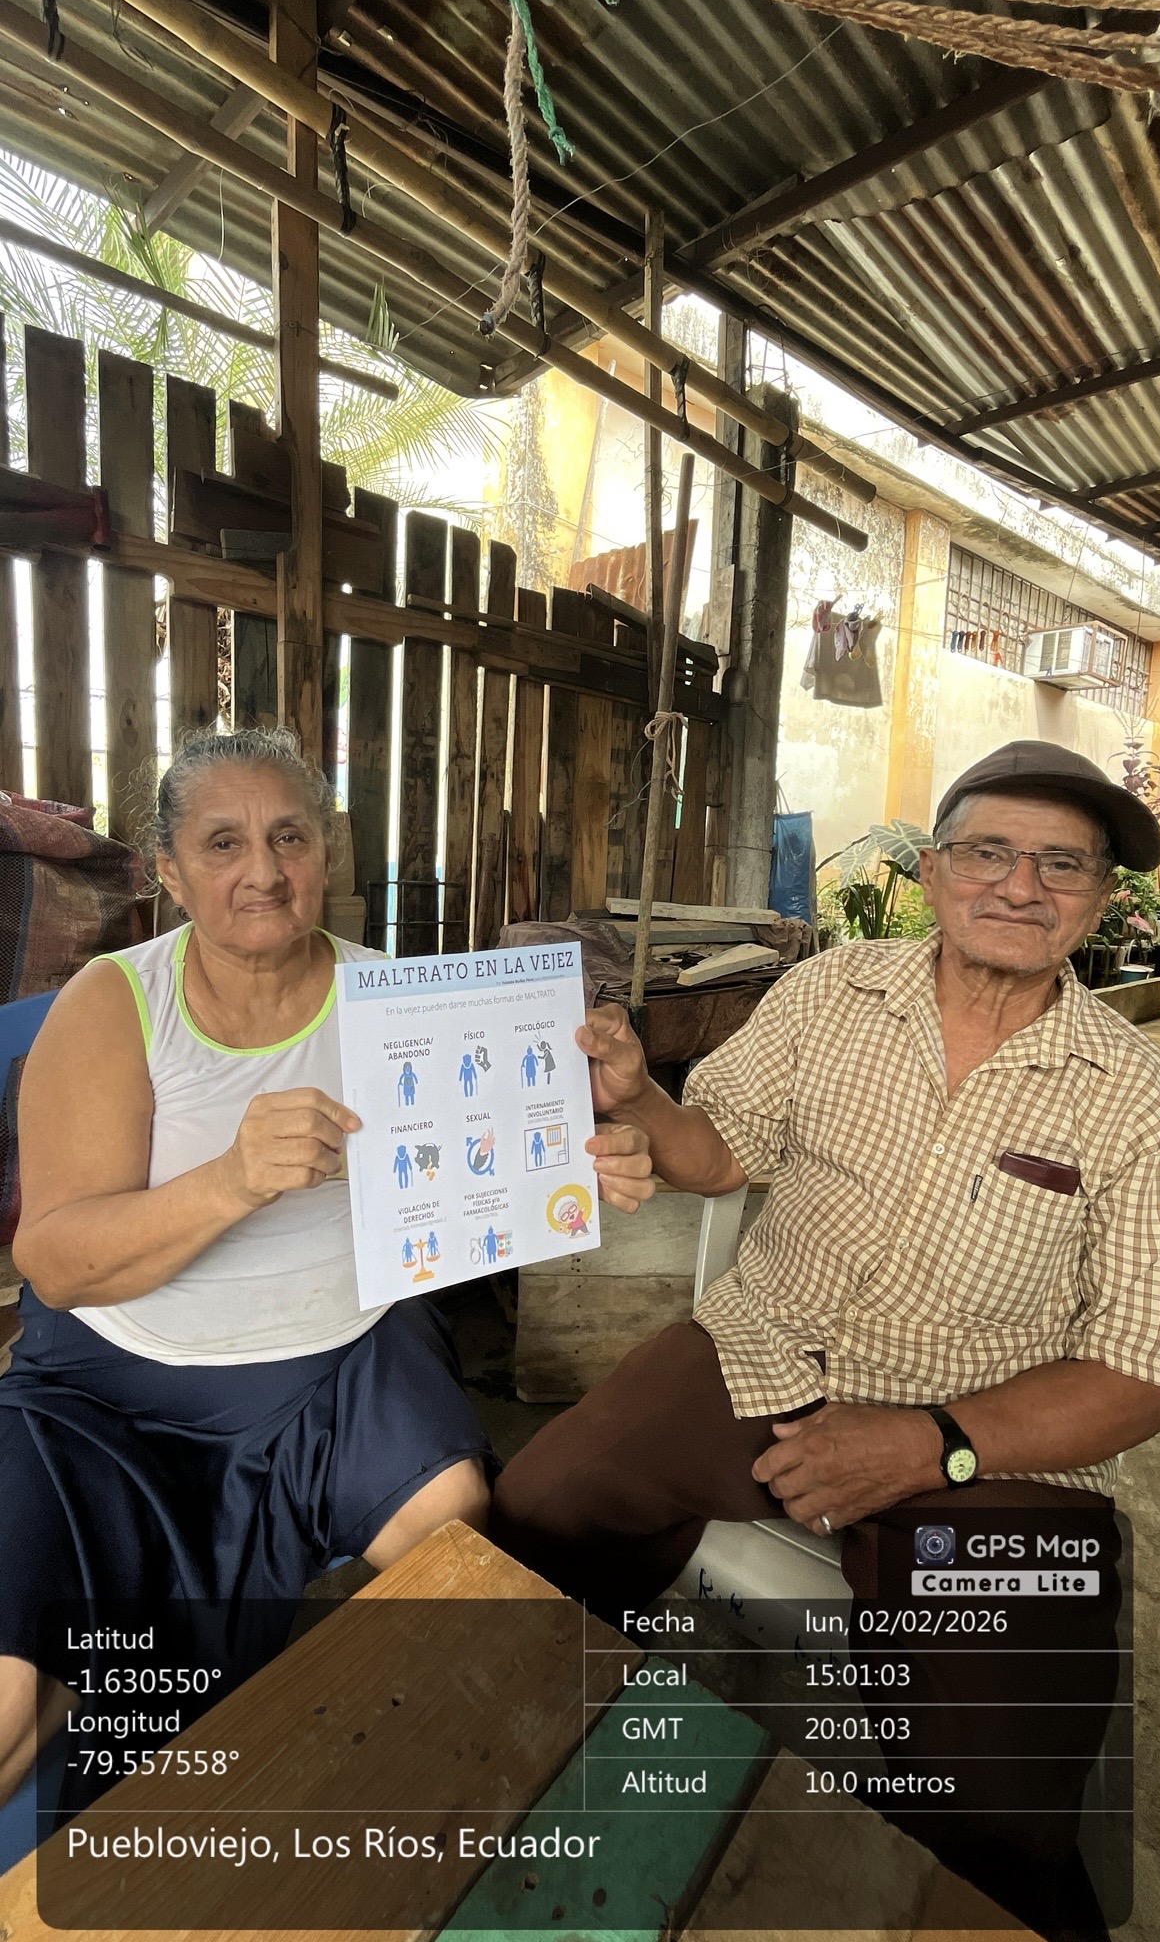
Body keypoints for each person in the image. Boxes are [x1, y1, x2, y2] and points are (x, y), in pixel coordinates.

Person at [492, 741, 1160, 1939]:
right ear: (935, 869)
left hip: (984, 1438)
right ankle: (555, 1764)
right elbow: (721, 1150)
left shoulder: (1137, 1093)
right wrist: (640, 1099)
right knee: (539, 1510)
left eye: (1062, 863)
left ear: (1101, 898)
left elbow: (1139, 1371)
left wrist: (928, 1443)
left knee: (999, 1808)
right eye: (991, 851)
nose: (1022, 885)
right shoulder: (830, 990)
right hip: (761, 1345)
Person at [0, 725, 653, 1810]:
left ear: (326, 852)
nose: (262, 869)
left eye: (289, 836)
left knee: (454, 1531)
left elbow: (509, 1164)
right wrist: (230, 1180)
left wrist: (589, 1155)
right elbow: (56, 1267)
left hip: (339, 1362)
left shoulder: (408, 1008)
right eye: (222, 842)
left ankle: (361, 1808)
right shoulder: (117, 1003)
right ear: (170, 872)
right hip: (111, 1390)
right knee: (10, 1703)